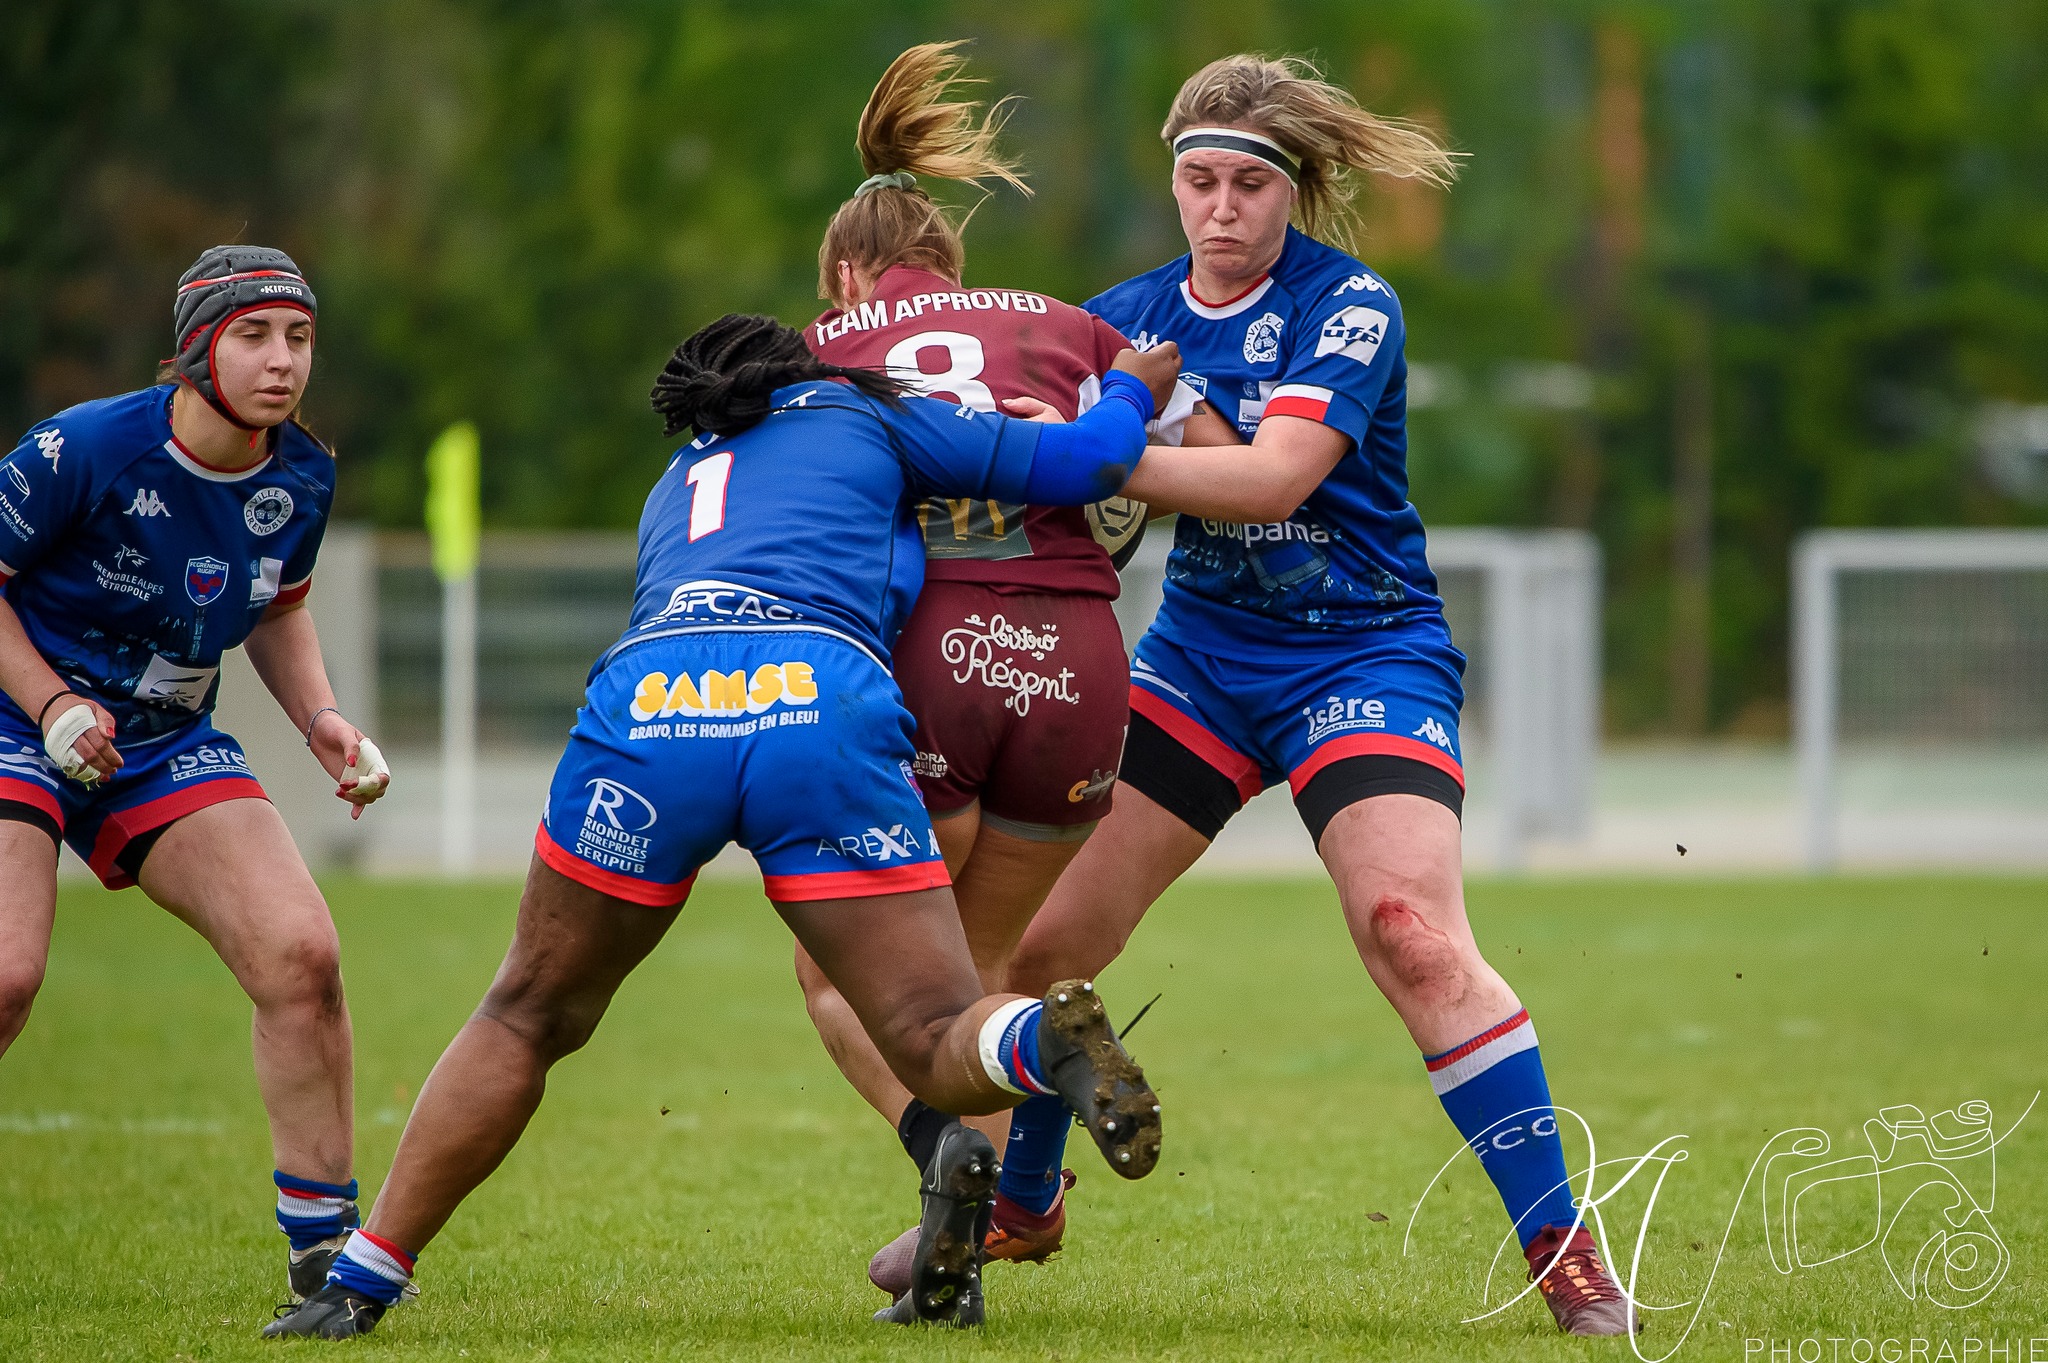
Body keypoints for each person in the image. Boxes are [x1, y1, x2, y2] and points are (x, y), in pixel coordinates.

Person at [265, 313, 1180, 1339]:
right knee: (926, 1028)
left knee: (527, 1010)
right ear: (805, 369)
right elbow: (1093, 460)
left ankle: (359, 1279)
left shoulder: (676, 482)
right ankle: (1035, 1040)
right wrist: (1133, 385)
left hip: (654, 703)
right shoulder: (858, 410)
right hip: (815, 701)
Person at [1003, 56, 1639, 1337]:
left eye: (1249, 183)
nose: (1222, 207)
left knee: (1408, 931)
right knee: (1043, 950)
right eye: (1198, 181)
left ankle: (1566, 1256)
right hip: (1198, 663)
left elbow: (1274, 481)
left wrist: (1091, 449)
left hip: (1364, 657)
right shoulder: (1116, 318)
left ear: (1293, 191)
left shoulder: (1345, 304)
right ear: (1170, 183)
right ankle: (1026, 1201)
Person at [798, 41, 1228, 1296]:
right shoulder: (1063, 326)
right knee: (979, 972)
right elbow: (1180, 445)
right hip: (1087, 672)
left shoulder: (827, 344)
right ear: (955, 268)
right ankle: (965, 1253)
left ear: (844, 273)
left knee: (848, 976)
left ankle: (965, 1138)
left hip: (936, 660)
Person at [0, 245, 391, 1304]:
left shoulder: (301, 472)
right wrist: (53, 703)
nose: (281, 362)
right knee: (6, 976)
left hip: (160, 739)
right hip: (14, 714)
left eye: (299, 337)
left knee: (302, 953)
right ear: (193, 349)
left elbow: (282, 605)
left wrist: (320, 716)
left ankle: (323, 1255)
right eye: (254, 335)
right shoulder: (82, 446)